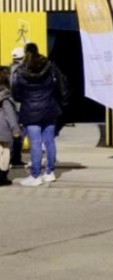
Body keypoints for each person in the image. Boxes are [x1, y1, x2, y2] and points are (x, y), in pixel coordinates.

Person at [12, 43, 69, 187]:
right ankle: (49, 172)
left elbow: (16, 94)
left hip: (30, 111)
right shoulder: (50, 66)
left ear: (25, 54)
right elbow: (61, 84)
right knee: (49, 141)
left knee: (35, 143)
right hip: (49, 108)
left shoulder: (20, 70)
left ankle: (35, 175)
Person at [0, 67, 21, 186]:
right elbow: (10, 116)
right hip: (3, 129)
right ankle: (2, 175)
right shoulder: (6, 98)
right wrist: (16, 130)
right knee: (6, 151)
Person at [8, 48, 24, 168]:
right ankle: (16, 158)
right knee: (19, 132)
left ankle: (9, 157)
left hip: (9, 105)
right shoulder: (23, 70)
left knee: (10, 132)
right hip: (20, 106)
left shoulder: (8, 70)